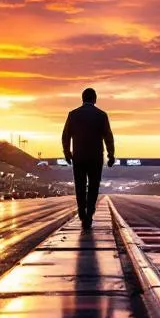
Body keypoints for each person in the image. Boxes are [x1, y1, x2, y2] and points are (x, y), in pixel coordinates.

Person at [61, 87, 115, 229]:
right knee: (93, 187)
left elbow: (65, 136)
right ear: (95, 99)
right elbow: (108, 137)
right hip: (95, 158)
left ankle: (81, 212)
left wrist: (67, 153)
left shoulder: (73, 115)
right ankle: (89, 214)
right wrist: (111, 155)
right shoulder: (101, 115)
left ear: (82, 99)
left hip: (78, 157)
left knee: (79, 186)